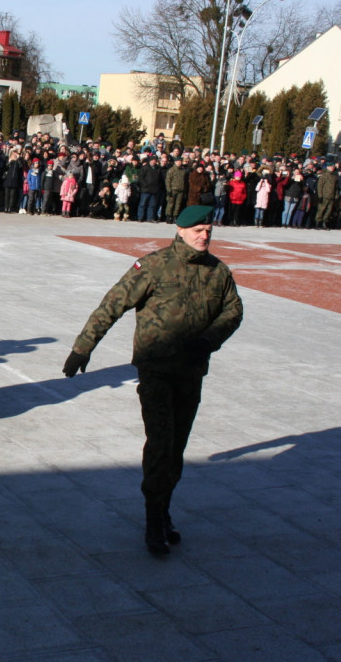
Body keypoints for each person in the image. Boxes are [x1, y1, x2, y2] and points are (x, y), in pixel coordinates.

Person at [62, 205, 243, 555]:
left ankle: (164, 508)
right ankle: (153, 520)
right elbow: (112, 304)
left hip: (191, 371)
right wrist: (83, 348)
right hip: (157, 369)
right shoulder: (154, 265)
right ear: (180, 230)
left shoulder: (218, 271)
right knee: (161, 443)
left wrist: (209, 339)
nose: (204, 235)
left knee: (176, 448)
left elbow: (233, 311)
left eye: (209, 229)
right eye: (198, 230)